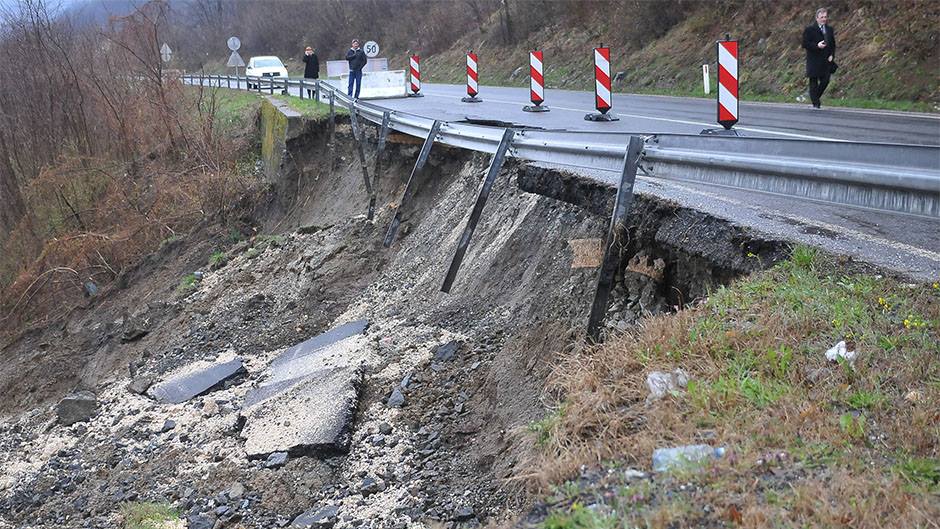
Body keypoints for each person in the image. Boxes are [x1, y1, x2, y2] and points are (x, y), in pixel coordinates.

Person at [802, 7, 836, 109]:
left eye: (825, 17)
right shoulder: (809, 30)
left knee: (826, 80)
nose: (824, 19)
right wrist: (817, 46)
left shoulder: (829, 29)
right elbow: (805, 44)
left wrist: (832, 55)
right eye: (821, 17)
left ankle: (815, 97)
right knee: (813, 82)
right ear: (817, 18)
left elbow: (833, 44)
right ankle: (816, 103)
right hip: (814, 60)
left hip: (826, 60)